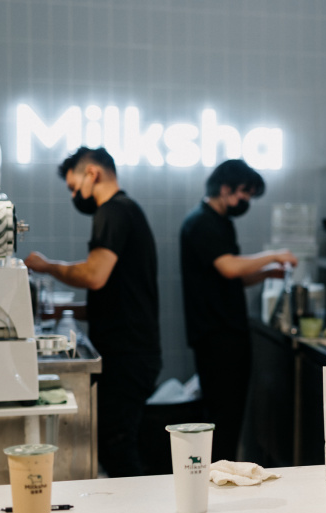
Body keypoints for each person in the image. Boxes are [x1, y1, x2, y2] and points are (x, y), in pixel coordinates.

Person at [25, 146, 161, 478]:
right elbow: (114, 297)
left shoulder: (113, 211)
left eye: (74, 188)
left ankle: (139, 508)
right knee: (117, 445)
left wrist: (46, 266)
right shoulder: (125, 211)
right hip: (133, 350)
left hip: (128, 354)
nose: (75, 196)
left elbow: (94, 276)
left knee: (117, 447)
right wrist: (63, 310)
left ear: (92, 173)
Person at [180, 159, 297, 462]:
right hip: (216, 336)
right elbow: (230, 267)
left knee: (229, 417)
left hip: (226, 333)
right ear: (225, 188)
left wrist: (267, 272)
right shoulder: (201, 223)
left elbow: (234, 277)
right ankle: (217, 473)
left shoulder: (220, 222)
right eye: (244, 192)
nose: (246, 200)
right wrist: (273, 255)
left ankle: (221, 470)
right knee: (222, 417)